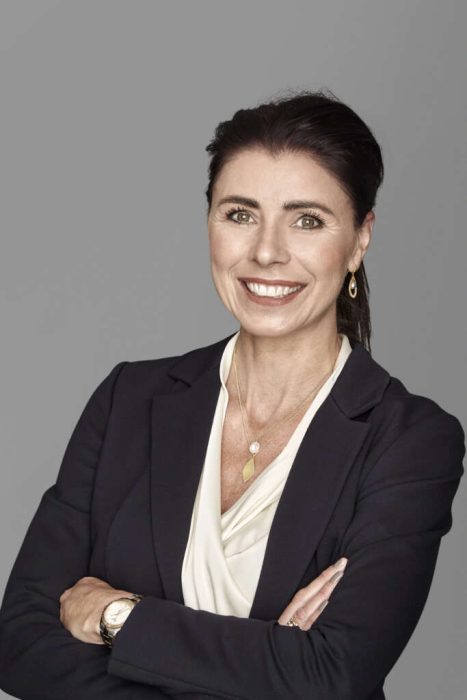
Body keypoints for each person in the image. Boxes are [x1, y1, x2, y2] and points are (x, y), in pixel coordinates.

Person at [0, 89, 464, 700]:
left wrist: (120, 617)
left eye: (307, 220)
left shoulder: (409, 440)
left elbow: (333, 675)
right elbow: (20, 644)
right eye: (240, 214)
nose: (266, 252)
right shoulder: (127, 400)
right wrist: (267, 661)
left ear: (359, 240)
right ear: (210, 224)